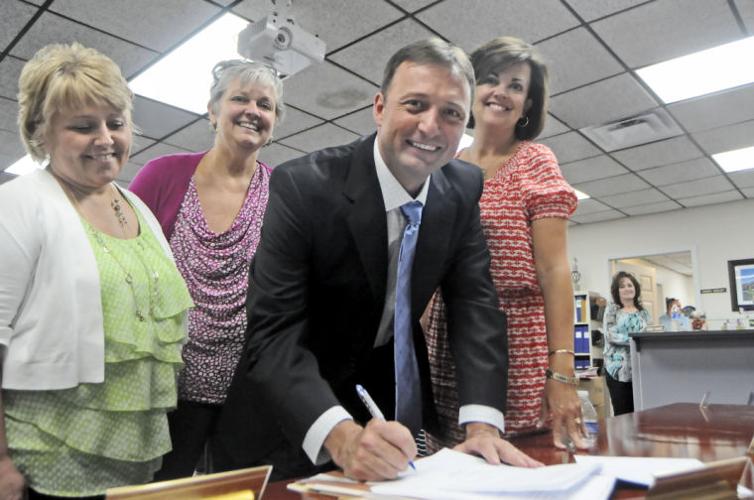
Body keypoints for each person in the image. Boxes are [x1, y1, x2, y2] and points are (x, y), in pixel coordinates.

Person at [212, 38, 543, 482]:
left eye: (451, 113)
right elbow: (272, 333)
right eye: (415, 104)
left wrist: (482, 424)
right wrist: (341, 437)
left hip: (380, 403)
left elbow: (475, 308)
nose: (431, 126)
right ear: (380, 107)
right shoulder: (303, 187)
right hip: (288, 410)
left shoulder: (462, 188)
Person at [0, 43, 192, 499]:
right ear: (41, 134)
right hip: (50, 459)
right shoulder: (17, 205)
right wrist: (1, 461)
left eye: (116, 122)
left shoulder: (138, 207)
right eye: (83, 126)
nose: (105, 138)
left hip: (135, 457)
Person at [423, 36, 585, 452]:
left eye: (516, 86)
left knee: (518, 462)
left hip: (518, 342)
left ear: (528, 104)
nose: (500, 92)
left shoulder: (535, 161)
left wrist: (562, 370)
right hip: (449, 339)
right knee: (452, 462)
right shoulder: (446, 166)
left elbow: (554, 271)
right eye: (490, 79)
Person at [129, 59, 284, 480]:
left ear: (274, 122)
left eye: (265, 104)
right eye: (240, 98)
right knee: (163, 487)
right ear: (213, 110)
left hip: (246, 390)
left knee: (235, 489)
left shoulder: (283, 193)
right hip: (166, 387)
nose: (253, 110)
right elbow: (127, 264)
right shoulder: (162, 174)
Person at [603, 271, 650, 415]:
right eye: (622, 286)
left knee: (641, 415)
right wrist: (636, 339)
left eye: (630, 285)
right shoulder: (612, 310)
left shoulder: (643, 312)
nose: (627, 288)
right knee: (623, 415)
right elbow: (611, 335)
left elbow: (648, 335)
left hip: (639, 370)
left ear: (635, 288)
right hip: (617, 370)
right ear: (617, 291)